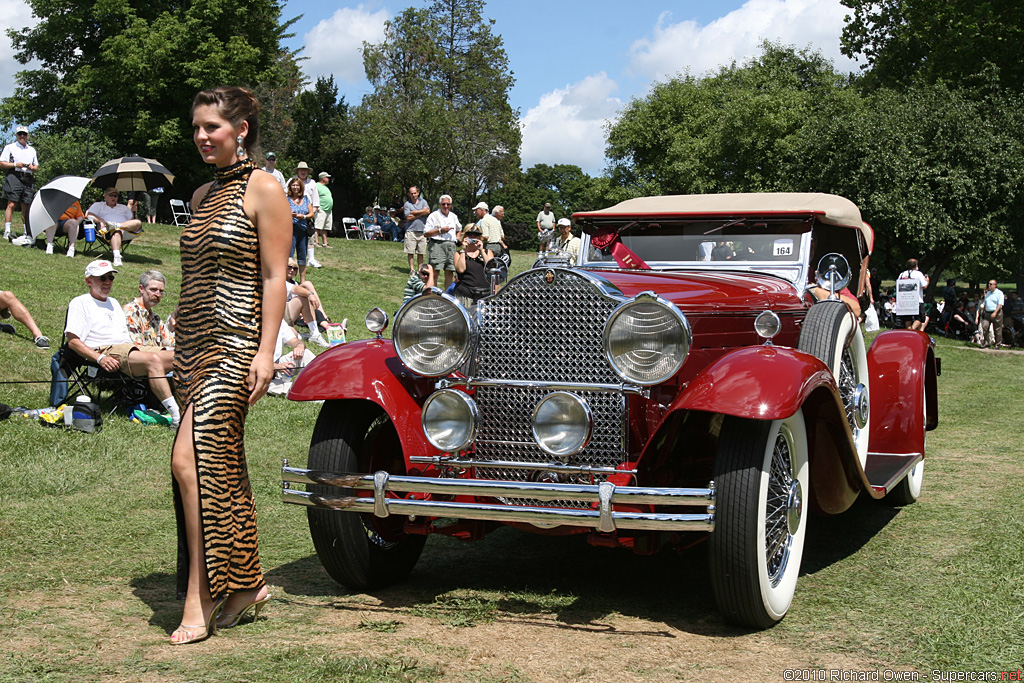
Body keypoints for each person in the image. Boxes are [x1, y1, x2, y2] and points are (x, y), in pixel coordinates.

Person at [171, 86, 287, 645]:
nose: (201, 137)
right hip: (193, 346)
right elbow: (196, 274)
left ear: (240, 129)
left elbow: (274, 277)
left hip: (237, 345)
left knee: (189, 464)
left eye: (211, 127)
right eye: (196, 127)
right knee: (218, 467)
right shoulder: (198, 196)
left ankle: (202, 595)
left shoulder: (264, 187)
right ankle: (245, 585)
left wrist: (266, 352)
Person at [65, 259, 177, 419]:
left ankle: (187, 407)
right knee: (153, 360)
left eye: (111, 278)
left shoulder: (114, 303)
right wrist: (100, 358)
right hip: (105, 349)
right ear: (88, 281)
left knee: (179, 357)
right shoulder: (80, 302)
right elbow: (73, 342)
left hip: (125, 347)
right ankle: (175, 415)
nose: (107, 282)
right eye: (102, 278)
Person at [86, 188, 143, 267]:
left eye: (115, 196)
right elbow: (88, 215)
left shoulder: (123, 207)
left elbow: (132, 221)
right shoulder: (98, 205)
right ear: (105, 196)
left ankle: (116, 225)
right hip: (108, 231)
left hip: (126, 231)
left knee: (138, 222)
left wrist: (135, 213)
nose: (113, 198)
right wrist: (100, 220)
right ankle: (117, 257)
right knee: (116, 231)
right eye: (111, 195)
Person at [2, 126, 39, 243]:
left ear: (27, 136)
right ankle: (7, 230)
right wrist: (15, 165)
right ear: (17, 136)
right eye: (20, 134)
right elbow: (2, 163)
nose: (22, 136)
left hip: (27, 177)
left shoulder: (31, 150)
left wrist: (32, 167)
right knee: (12, 203)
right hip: (14, 175)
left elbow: (36, 167)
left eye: (24, 134)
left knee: (26, 205)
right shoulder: (10, 148)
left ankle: (25, 231)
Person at [123, 270, 175, 349]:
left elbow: (171, 343)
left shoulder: (155, 318)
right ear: (141, 289)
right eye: (153, 290)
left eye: (161, 291)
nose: (157, 294)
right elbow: (137, 348)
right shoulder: (130, 312)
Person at [285, 258, 329, 347]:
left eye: (295, 268)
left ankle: (318, 331)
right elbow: (295, 290)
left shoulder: (294, 283)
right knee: (292, 334)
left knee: (316, 312)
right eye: (289, 267)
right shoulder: (279, 281)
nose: (292, 270)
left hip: (290, 315)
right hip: (280, 316)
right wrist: (310, 294)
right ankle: (316, 332)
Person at [266, 319, 313, 396]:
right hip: (261, 376)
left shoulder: (278, 321)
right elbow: (250, 363)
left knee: (306, 354)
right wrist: (276, 367)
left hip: (277, 366)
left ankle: (322, 381)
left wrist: (299, 346)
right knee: (298, 389)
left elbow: (296, 341)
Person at [453, 224, 494, 307]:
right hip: (465, 294)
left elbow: (491, 269)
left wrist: (481, 251)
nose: (473, 237)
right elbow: (461, 269)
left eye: (476, 235)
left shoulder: (487, 252)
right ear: (465, 236)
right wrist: (463, 250)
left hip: (484, 295)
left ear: (480, 237)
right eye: (470, 235)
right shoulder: (458, 253)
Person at [424, 193, 460, 289]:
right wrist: (440, 231)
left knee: (449, 272)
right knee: (435, 271)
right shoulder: (433, 216)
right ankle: (434, 293)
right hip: (437, 244)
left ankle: (447, 296)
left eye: (448, 204)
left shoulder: (453, 216)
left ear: (451, 205)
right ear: (440, 204)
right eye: (443, 204)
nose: (446, 206)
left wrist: (457, 239)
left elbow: (459, 228)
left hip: (451, 245)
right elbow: (426, 233)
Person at [286, 177, 314, 283]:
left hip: (303, 230)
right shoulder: (286, 199)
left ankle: (302, 281)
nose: (295, 187)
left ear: (301, 187)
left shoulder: (306, 198)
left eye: (297, 185)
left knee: (302, 255)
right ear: (290, 187)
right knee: (290, 255)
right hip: (290, 229)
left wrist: (303, 217)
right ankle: (288, 279)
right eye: (293, 185)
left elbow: (311, 213)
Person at [294, 162, 320, 268]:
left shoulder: (312, 183)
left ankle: (311, 259)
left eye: (305, 170)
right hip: (294, 216)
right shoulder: (292, 181)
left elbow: (316, 200)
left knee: (310, 236)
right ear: (298, 171)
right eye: (301, 170)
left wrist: (310, 213)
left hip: (309, 215)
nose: (303, 172)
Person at [895, 258, 929, 330]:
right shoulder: (918, 274)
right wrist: (927, 281)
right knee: (921, 317)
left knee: (907, 319)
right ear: (916, 265)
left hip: (904, 300)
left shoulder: (902, 274)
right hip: (917, 300)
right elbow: (924, 286)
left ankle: (909, 331)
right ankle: (912, 329)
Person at [403, 186, 430, 273]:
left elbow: (427, 211)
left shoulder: (423, 202)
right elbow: (408, 217)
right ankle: (412, 270)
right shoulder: (407, 204)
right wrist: (421, 212)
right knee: (410, 252)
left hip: (422, 231)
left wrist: (414, 212)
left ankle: (419, 270)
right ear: (409, 194)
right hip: (411, 231)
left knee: (421, 252)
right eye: (412, 193)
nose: (414, 195)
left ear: (418, 193)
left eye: (415, 193)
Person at [978, 279, 1004, 349]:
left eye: (990, 284)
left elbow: (1000, 304)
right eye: (989, 284)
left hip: (996, 312)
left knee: (997, 329)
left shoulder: (999, 293)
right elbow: (986, 303)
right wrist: (983, 311)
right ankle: (986, 343)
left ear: (995, 285)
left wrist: (995, 312)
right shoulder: (988, 293)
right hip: (987, 313)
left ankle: (997, 344)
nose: (989, 285)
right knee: (985, 326)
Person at [314, 172, 333, 248]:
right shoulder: (316, 186)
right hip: (321, 209)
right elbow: (313, 196)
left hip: (328, 210)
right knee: (318, 227)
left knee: (325, 228)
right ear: (323, 178)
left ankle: (325, 243)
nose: (328, 179)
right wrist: (316, 207)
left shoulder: (326, 187)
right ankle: (316, 242)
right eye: (327, 177)